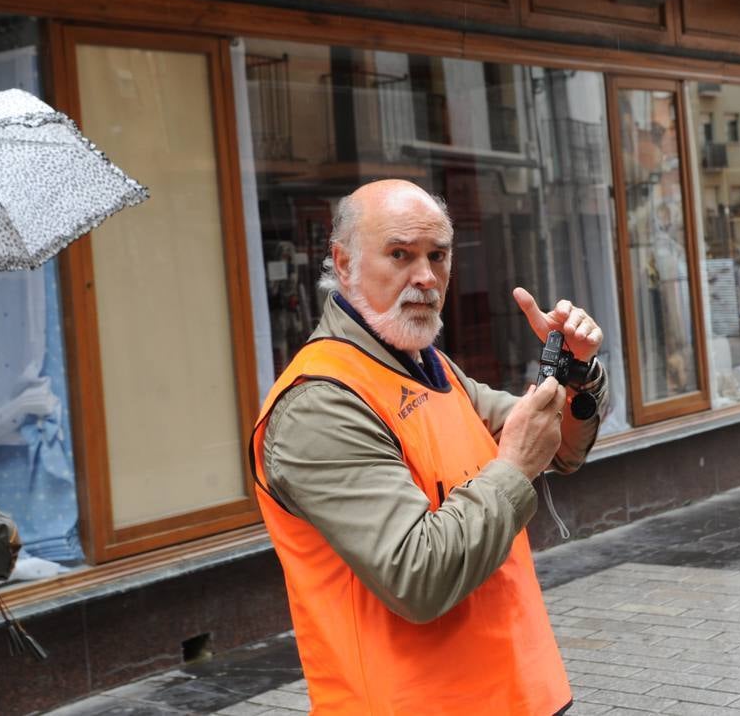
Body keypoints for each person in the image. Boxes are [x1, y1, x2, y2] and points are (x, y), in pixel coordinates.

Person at [252, 180, 608, 715]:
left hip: (522, 692)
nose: (425, 277)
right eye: (400, 254)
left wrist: (574, 375)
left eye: (437, 256)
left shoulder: (430, 365)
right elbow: (416, 576)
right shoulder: (318, 404)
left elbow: (556, 447)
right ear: (343, 263)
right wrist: (513, 466)